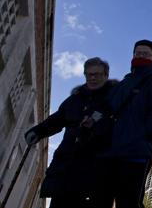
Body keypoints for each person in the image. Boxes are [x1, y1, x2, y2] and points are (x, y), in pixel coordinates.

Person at [24, 57, 116, 208]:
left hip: (97, 170)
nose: (93, 78)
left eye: (97, 74)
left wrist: (96, 126)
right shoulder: (75, 99)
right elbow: (57, 119)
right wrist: (37, 131)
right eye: (89, 74)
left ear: (106, 75)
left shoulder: (114, 98)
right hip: (66, 168)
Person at [95, 39, 152, 208]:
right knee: (100, 200)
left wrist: (148, 134)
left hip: (135, 152)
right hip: (108, 152)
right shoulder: (120, 85)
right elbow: (104, 111)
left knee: (128, 201)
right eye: (137, 53)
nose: (140, 56)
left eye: (145, 54)